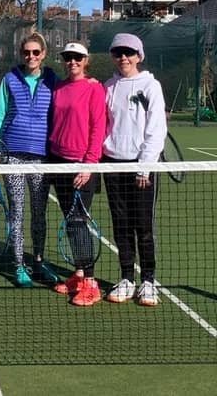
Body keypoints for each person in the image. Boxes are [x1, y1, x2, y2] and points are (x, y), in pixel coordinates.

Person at [0, 32, 59, 287]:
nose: (31, 56)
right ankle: (19, 265)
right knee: (17, 212)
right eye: (26, 52)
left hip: (41, 158)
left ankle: (39, 261)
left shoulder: (53, 80)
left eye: (36, 52)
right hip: (12, 156)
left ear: (43, 55)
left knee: (39, 213)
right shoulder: (9, 79)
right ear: (21, 54)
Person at [102, 33, 167, 306]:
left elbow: (156, 130)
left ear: (139, 56)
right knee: (121, 225)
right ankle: (127, 277)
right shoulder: (108, 86)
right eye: (118, 53)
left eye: (129, 53)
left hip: (142, 167)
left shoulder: (151, 86)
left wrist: (145, 167)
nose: (123, 58)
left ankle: (148, 281)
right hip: (113, 164)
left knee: (143, 225)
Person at [49, 42, 106, 307]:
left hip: (81, 166)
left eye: (77, 58)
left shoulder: (94, 88)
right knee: (70, 221)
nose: (72, 61)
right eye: (68, 57)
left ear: (86, 61)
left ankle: (91, 283)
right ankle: (79, 274)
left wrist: (89, 163)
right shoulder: (59, 88)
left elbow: (98, 126)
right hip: (58, 162)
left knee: (78, 222)